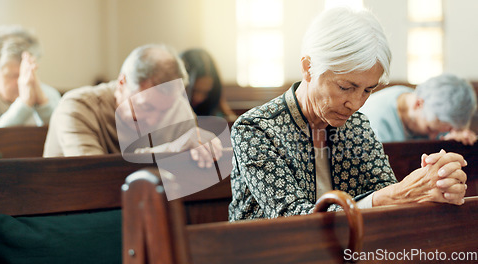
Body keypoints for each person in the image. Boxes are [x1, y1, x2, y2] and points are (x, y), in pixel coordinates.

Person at [229, 7, 467, 221]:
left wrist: (433, 189)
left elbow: (386, 193)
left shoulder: (356, 125)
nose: (355, 104)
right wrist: (396, 195)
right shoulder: (255, 129)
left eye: (367, 90)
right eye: (345, 87)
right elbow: (293, 220)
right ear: (308, 68)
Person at [43, 44, 221, 168]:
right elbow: (94, 176)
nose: (154, 120)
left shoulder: (177, 106)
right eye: (146, 107)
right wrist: (172, 149)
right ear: (122, 82)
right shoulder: (77, 107)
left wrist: (205, 150)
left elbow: (187, 169)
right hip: (68, 212)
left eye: (164, 111)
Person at [0, 25, 60, 128]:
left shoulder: (49, 96)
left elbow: (63, 136)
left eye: (26, 72)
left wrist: (43, 104)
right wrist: (24, 104)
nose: (23, 81)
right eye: (12, 76)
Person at [360, 74, 477, 145]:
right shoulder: (372, 122)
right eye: (430, 130)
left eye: (440, 132)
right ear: (418, 104)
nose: (433, 137)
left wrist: (453, 141)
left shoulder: (433, 110)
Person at [180, 48, 237, 122]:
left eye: (206, 92)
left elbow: (230, 118)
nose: (199, 98)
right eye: (194, 90)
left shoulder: (214, 100)